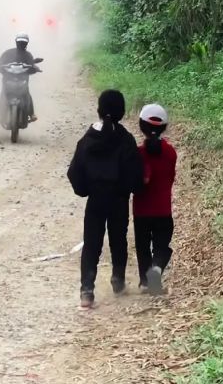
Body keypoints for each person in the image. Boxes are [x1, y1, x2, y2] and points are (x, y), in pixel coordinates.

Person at [67, 90, 143, 308]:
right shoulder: (126, 139)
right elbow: (135, 173)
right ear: (122, 112)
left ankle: (87, 291)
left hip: (96, 200)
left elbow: (75, 171)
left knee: (91, 243)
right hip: (118, 199)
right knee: (119, 239)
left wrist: (85, 190)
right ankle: (118, 281)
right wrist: (130, 189)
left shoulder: (88, 139)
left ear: (99, 110)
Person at [133, 103, 177, 295]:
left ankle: (144, 282)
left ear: (141, 126)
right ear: (164, 127)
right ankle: (157, 268)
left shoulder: (137, 154)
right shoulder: (170, 153)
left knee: (143, 247)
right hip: (163, 210)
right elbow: (170, 178)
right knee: (161, 246)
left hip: (141, 210)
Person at [0, 32, 37, 122]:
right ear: (16, 42)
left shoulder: (28, 55)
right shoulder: (8, 53)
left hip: (23, 80)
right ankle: (0, 115)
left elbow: (32, 65)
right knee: (3, 93)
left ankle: (31, 113)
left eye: (23, 42)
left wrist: (34, 68)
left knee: (27, 93)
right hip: (8, 79)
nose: (21, 44)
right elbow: (0, 63)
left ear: (26, 43)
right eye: (20, 42)